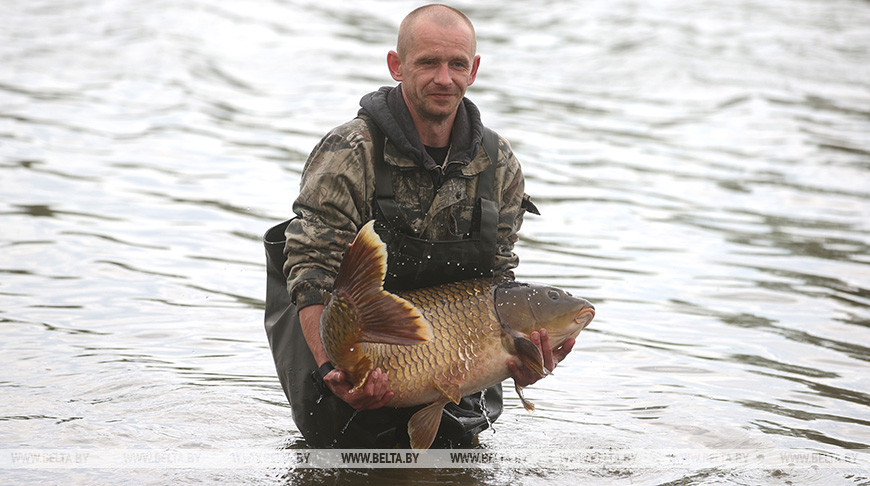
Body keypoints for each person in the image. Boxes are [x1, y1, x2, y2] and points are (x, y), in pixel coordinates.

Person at [264, 4, 574, 448]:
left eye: (456, 64)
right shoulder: (350, 151)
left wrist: (522, 360)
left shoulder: (500, 163)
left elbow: (498, 280)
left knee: (455, 447)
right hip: (346, 346)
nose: (444, 78)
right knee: (347, 449)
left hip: (452, 351)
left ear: (475, 69)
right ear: (397, 66)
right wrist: (337, 370)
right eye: (428, 62)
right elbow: (312, 271)